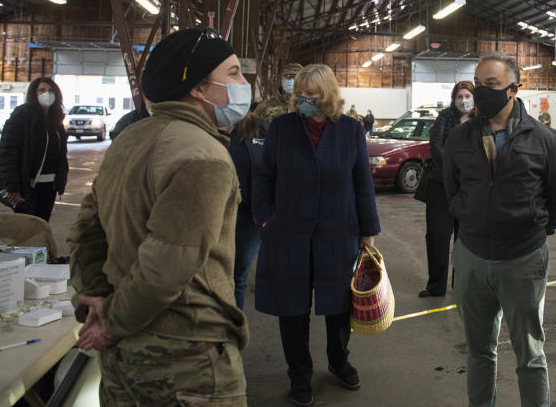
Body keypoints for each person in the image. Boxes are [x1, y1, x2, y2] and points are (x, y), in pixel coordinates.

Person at [68, 28, 251, 405]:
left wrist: (97, 300)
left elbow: (88, 229)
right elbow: (168, 263)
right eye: (233, 73)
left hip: (122, 361)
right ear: (199, 88)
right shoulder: (203, 156)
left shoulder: (129, 140)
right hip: (186, 358)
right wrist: (111, 322)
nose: (243, 83)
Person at [443, 55, 556, 407]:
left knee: (530, 353)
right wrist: (467, 216)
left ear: (514, 89)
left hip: (523, 258)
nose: (480, 91)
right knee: (478, 351)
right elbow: (450, 190)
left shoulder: (546, 139)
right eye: (477, 83)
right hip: (471, 256)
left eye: (492, 85)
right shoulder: (459, 137)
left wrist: (533, 227)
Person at [253, 63, 380, 407]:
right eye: (301, 94)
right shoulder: (281, 128)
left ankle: (339, 362)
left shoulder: (351, 130)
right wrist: (266, 219)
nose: (306, 100)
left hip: (339, 231)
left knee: (339, 305)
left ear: (328, 95)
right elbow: (263, 175)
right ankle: (300, 375)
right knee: (292, 309)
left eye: (312, 94)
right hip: (289, 232)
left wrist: (368, 230)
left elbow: (362, 183)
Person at [419, 80, 474, 298]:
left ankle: (461, 285)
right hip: (440, 184)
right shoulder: (445, 117)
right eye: (460, 96)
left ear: (474, 98)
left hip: (468, 189)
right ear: (453, 98)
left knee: (465, 240)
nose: (464, 100)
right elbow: (436, 146)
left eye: (468, 96)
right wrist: (454, 169)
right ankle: (436, 286)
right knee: (437, 236)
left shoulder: (480, 121)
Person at [0, 77, 68, 222]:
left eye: (50, 90)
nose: (47, 93)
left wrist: (61, 179)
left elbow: (61, 153)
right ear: (33, 94)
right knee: (27, 230)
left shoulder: (56, 120)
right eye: (42, 90)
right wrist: (12, 186)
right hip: (27, 187)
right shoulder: (22, 115)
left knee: (42, 225)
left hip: (49, 187)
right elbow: (8, 152)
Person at [227, 105, 267, 309]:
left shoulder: (260, 130)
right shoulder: (202, 129)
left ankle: (232, 333)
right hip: (212, 214)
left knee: (236, 277)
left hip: (247, 218)